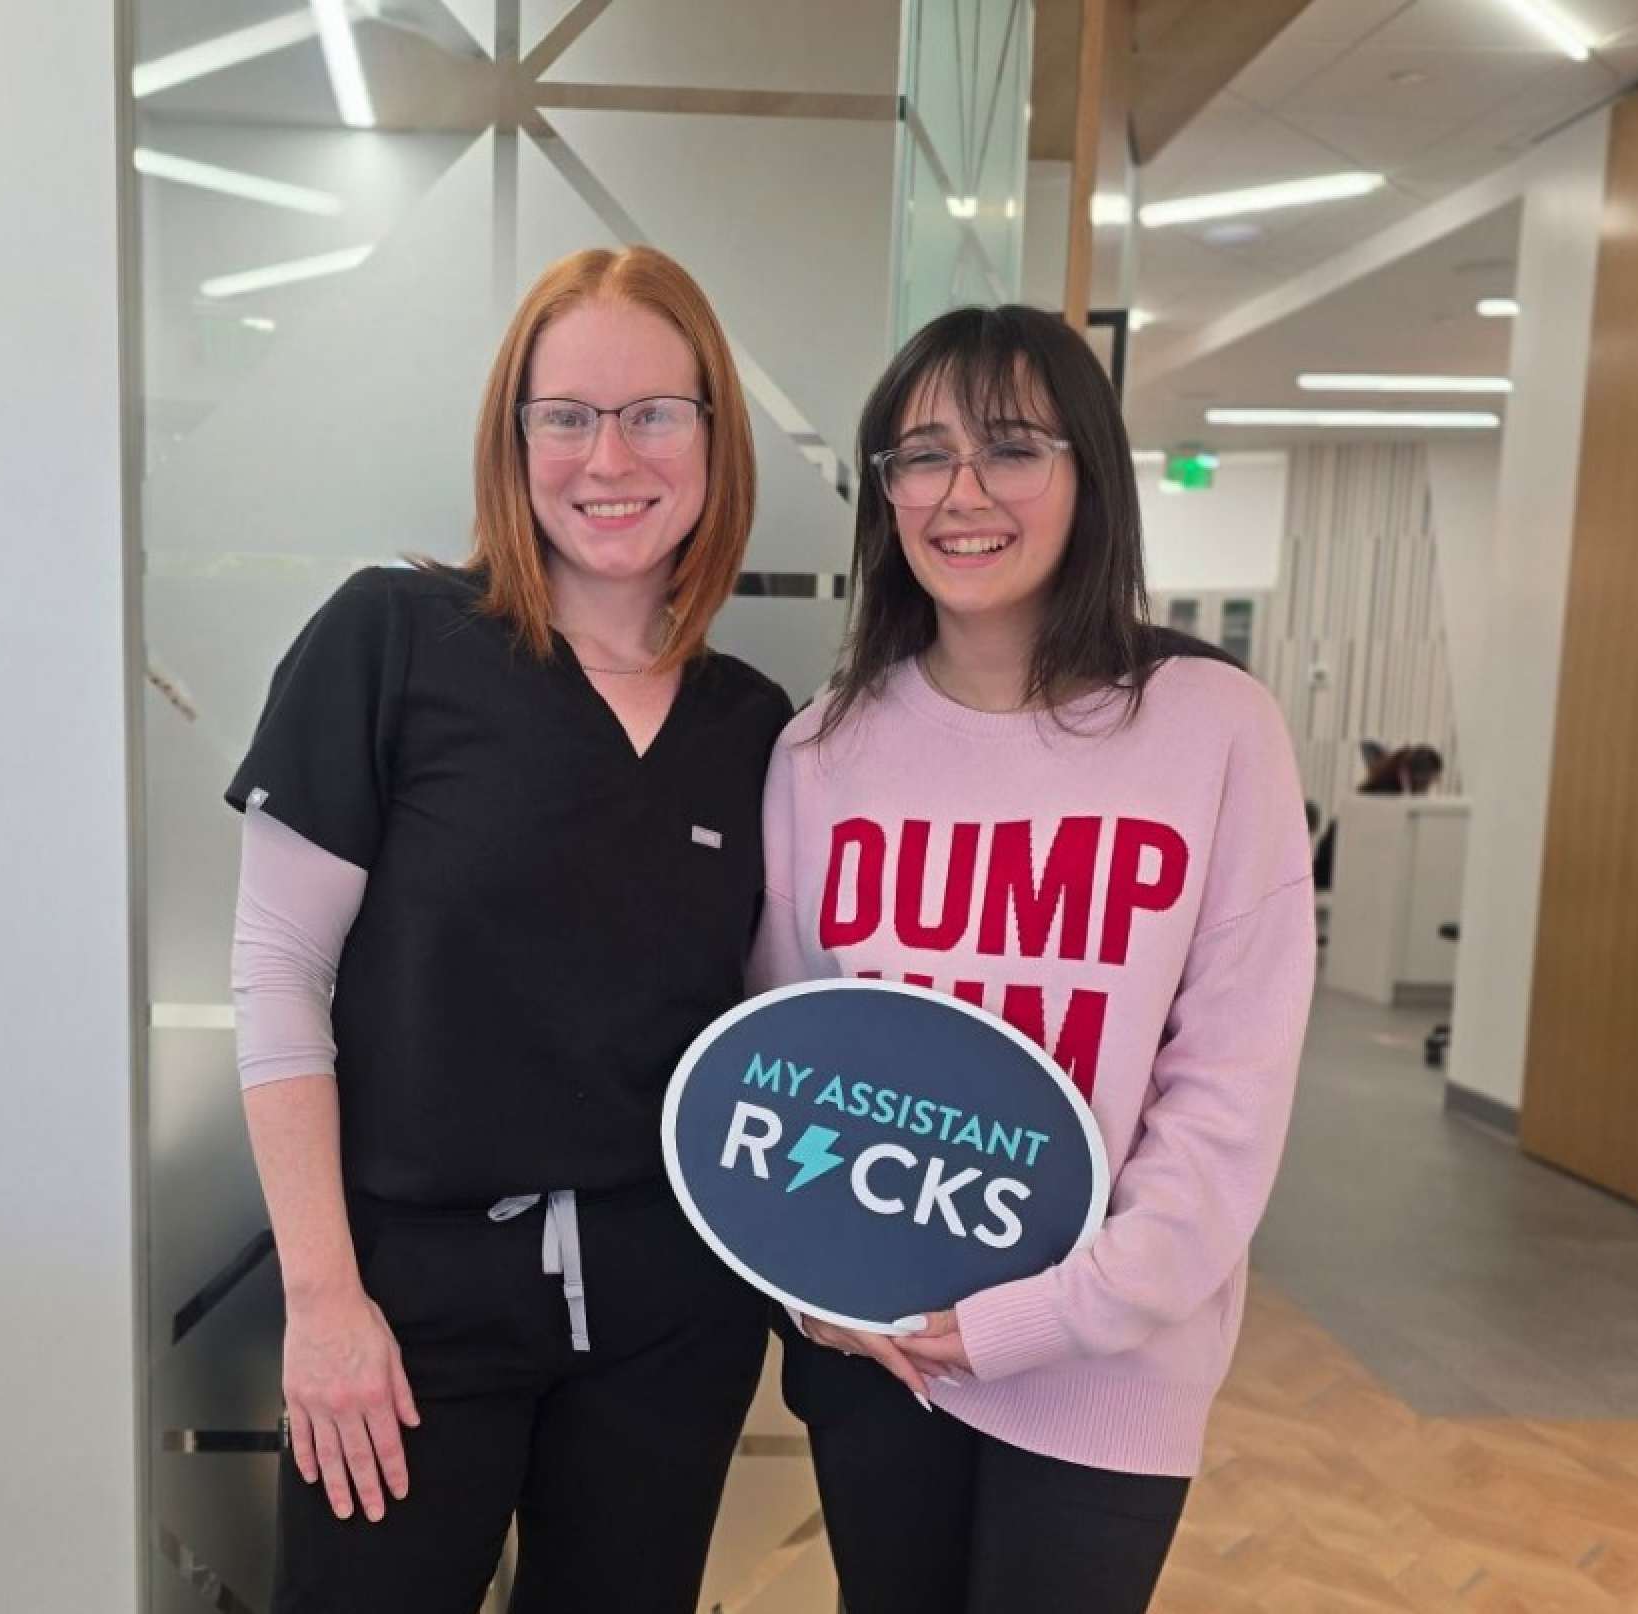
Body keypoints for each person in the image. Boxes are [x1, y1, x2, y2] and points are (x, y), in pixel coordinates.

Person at [224, 245, 792, 1614]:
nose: (610, 457)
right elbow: (280, 976)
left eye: (653, 413)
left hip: (670, 1313)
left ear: (713, 435)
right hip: (409, 1305)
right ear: (513, 436)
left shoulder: (754, 723)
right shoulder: (392, 640)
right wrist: (322, 1300)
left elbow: (770, 1030)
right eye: (567, 415)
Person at [748, 303, 1317, 1613]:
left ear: (1087, 472)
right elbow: (780, 1059)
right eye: (921, 454)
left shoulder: (1212, 726)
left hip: (1106, 1363)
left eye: (1009, 446)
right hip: (879, 1353)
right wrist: (816, 1292)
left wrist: (1053, 1313)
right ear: (884, 491)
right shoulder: (819, 750)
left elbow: (1226, 1092)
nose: (962, 492)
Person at [1312, 743, 1444, 889]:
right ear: (1420, 777)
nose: (1427, 791)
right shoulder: (1386, 796)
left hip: (1334, 865)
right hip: (1335, 869)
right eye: (1430, 783)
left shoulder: (1386, 784)